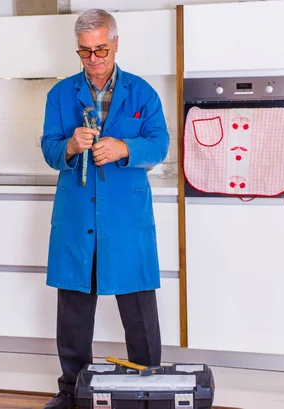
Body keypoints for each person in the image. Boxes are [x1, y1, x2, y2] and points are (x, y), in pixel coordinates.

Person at [40, 8, 170, 409]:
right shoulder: (60, 95)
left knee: (139, 314)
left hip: (126, 221)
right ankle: (71, 392)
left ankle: (147, 386)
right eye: (85, 52)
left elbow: (160, 144)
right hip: (78, 219)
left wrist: (125, 147)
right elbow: (48, 149)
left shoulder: (142, 92)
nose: (94, 60)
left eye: (101, 49)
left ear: (115, 44)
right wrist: (70, 146)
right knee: (74, 314)